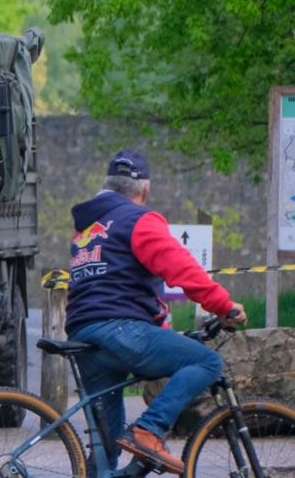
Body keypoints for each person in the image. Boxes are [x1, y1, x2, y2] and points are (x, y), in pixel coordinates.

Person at [66, 149, 247, 475]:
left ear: (107, 184)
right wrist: (223, 306)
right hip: (120, 331)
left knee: (106, 447)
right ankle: (148, 430)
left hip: (84, 335)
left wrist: (161, 332)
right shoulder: (138, 220)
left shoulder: (88, 229)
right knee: (206, 361)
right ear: (144, 190)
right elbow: (182, 270)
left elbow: (117, 286)